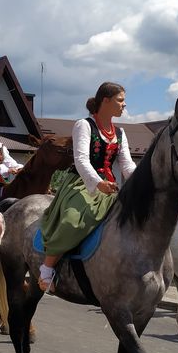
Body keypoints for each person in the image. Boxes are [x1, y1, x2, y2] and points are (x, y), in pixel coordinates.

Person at [37, 81, 135, 292]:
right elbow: (81, 160)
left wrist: (143, 181)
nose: (124, 105)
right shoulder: (84, 125)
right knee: (73, 219)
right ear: (106, 101)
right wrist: (97, 183)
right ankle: (47, 267)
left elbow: (126, 163)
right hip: (82, 183)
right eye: (120, 100)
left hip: (110, 186)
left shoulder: (120, 132)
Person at [0, 115, 23, 197]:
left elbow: (9, 161)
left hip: (1, 184)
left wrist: (20, 168)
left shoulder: (0, 146)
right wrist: (8, 170)